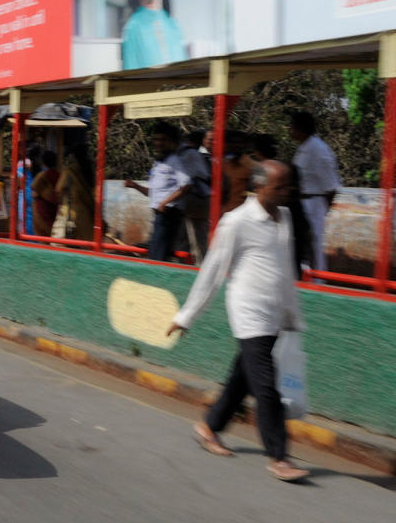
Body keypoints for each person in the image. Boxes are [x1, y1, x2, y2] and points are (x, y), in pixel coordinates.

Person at [167, 161, 310, 483]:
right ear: (259, 186)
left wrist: (290, 314)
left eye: (289, 187)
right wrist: (186, 316)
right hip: (248, 311)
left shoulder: (283, 216)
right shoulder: (237, 221)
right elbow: (213, 272)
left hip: (273, 314)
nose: (287, 193)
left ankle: (209, 427)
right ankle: (279, 457)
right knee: (266, 386)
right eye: (280, 187)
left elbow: (285, 270)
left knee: (242, 377)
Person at [124, 121, 191, 261]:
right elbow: (154, 194)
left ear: (172, 142)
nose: (158, 143)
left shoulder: (175, 161)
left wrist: (165, 203)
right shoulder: (159, 163)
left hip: (169, 215)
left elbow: (187, 185)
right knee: (155, 253)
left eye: (163, 140)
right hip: (160, 215)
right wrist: (136, 186)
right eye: (156, 139)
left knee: (158, 256)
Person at [252, 134, 312, 278]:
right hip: (296, 224)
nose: (284, 192)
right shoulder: (289, 169)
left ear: (257, 152)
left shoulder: (258, 172)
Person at [290, 111, 340, 274]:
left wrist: (323, 208)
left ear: (300, 128)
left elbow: (331, 186)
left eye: (293, 127)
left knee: (315, 245)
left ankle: (319, 281)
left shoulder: (317, 149)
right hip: (301, 203)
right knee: (301, 244)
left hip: (315, 203)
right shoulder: (303, 148)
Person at [177, 133, 210, 263]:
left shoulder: (186, 153)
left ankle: (195, 266)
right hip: (200, 199)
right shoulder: (195, 154)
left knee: (189, 237)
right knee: (197, 237)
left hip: (192, 199)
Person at [51, 147, 94, 241]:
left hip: (71, 213)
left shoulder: (69, 171)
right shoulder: (89, 171)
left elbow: (59, 189)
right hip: (87, 215)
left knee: (58, 243)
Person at [222, 131, 259, 215]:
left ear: (244, 145)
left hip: (241, 216)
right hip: (222, 214)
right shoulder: (222, 163)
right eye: (230, 142)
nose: (234, 146)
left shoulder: (255, 167)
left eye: (238, 143)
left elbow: (257, 194)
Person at [30, 150, 61, 236]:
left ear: (43, 162)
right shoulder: (59, 175)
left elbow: (34, 193)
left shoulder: (41, 176)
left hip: (43, 211)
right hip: (55, 210)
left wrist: (43, 194)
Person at [16, 145, 40, 235]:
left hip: (25, 194)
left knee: (24, 220)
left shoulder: (20, 166)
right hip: (36, 195)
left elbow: (19, 183)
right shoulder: (41, 167)